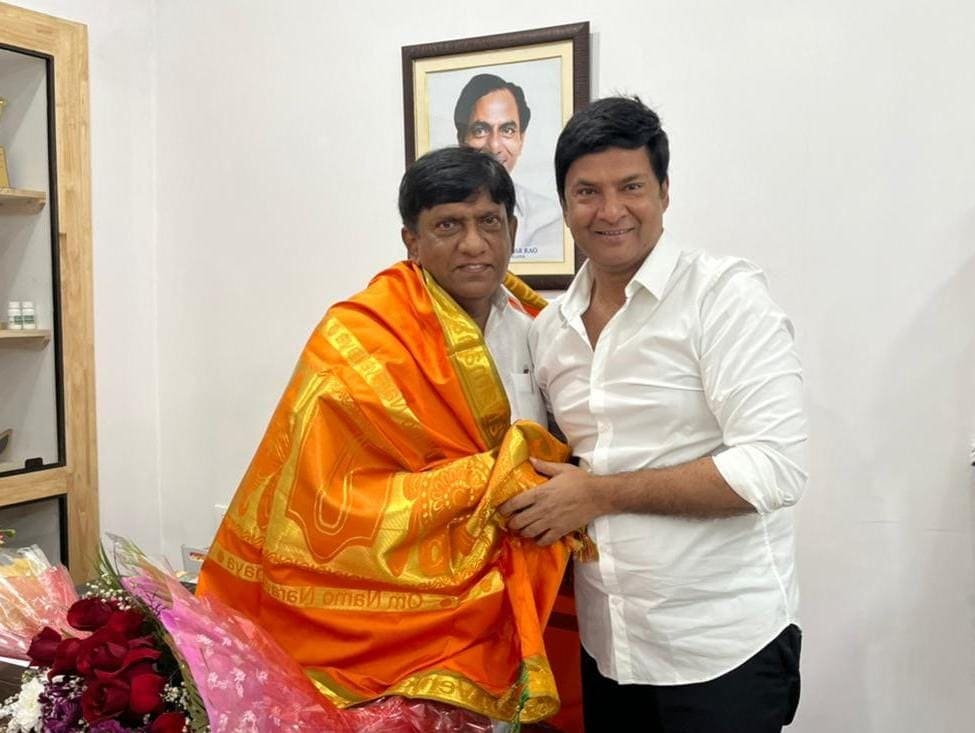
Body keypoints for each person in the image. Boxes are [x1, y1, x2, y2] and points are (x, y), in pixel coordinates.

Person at [196, 147, 587, 728]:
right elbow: (324, 499)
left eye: (489, 222)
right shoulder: (359, 336)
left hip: (508, 610)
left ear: (512, 228)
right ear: (412, 241)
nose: (474, 243)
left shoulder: (544, 329)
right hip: (390, 623)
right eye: (448, 225)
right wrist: (494, 476)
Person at [501, 97, 808, 732]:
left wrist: (600, 495)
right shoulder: (551, 329)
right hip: (609, 648)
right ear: (564, 204)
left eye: (631, 186)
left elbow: (772, 470)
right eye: (587, 192)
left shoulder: (723, 297)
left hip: (721, 649)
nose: (610, 210)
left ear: (665, 192)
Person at [455, 73, 563, 262]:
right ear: (461, 140)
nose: (494, 146)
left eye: (507, 130)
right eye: (480, 130)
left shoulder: (548, 216)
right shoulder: (439, 213)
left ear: (521, 140)